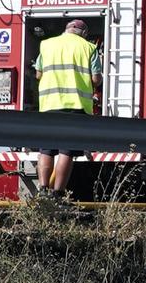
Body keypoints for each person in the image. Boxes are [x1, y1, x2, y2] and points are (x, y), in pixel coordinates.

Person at [34, 19, 99, 198]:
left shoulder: (46, 45)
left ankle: (42, 189)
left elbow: (38, 73)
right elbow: (95, 79)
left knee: (46, 149)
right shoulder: (89, 48)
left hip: (49, 104)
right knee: (66, 150)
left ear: (66, 30)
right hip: (75, 105)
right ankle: (58, 192)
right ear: (84, 33)